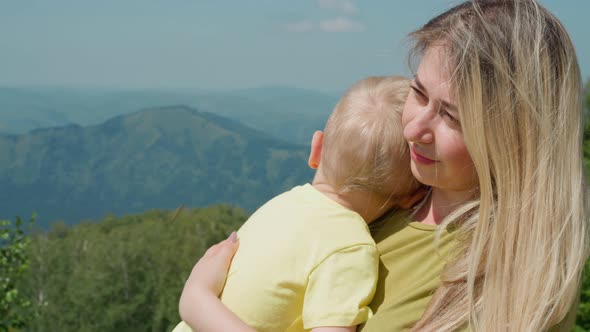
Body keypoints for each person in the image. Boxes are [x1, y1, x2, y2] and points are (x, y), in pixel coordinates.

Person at [178, 1, 589, 331]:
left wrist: (198, 300)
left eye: (451, 117)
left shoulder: (492, 292)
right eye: (417, 91)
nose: (413, 128)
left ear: (516, 141)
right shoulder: (384, 192)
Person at [175, 76, 421, 332]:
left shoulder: (279, 206)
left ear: (316, 148)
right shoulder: (349, 249)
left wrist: (197, 295)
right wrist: (195, 299)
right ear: (413, 197)